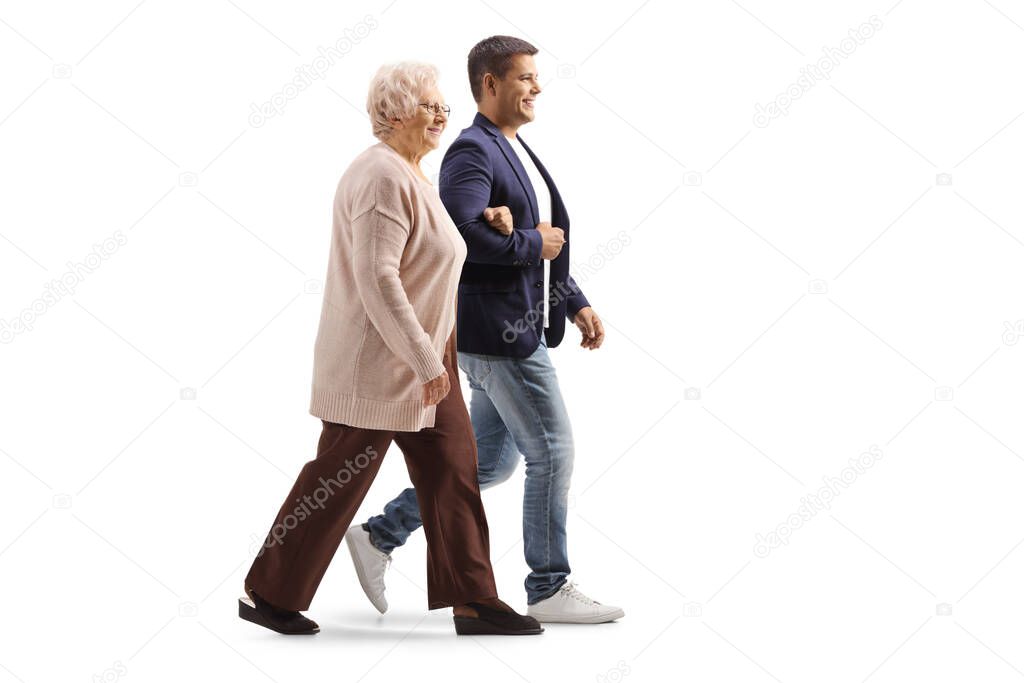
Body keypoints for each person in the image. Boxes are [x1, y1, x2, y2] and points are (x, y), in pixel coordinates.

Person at [239, 61, 542, 636]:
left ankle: (473, 599)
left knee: (455, 469)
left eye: (444, 107)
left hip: (428, 355)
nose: (442, 115)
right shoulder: (380, 175)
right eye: (430, 105)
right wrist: (425, 361)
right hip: (380, 363)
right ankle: (269, 591)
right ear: (395, 111)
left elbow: (434, 252)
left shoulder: (410, 173)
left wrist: (492, 222)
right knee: (337, 478)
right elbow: (380, 277)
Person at [346, 37, 624, 624]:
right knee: (552, 451)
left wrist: (575, 303)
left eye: (535, 77)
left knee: (490, 464)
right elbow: (460, 238)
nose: (537, 87)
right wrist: (528, 241)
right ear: (490, 84)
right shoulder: (472, 150)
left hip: (510, 328)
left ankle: (378, 535)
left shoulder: (513, 148)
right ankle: (548, 585)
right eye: (525, 77)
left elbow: (542, 247)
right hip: (498, 334)